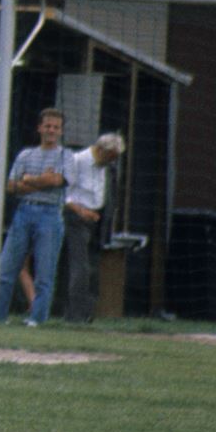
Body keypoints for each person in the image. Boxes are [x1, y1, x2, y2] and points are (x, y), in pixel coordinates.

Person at [0, 108, 70, 326]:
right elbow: (11, 186)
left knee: (44, 274)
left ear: (61, 131)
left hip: (50, 215)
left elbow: (57, 182)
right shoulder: (25, 154)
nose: (51, 130)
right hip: (23, 211)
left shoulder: (66, 156)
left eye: (56, 127)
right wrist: (40, 180)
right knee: (6, 269)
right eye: (47, 126)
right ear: (39, 128)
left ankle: (37, 319)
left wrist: (29, 179)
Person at [61, 133, 125, 324]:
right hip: (77, 218)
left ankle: (87, 313)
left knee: (93, 267)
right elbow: (64, 195)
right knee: (79, 267)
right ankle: (74, 315)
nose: (113, 161)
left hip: (98, 220)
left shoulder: (108, 168)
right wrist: (81, 211)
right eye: (111, 156)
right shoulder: (77, 161)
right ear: (101, 150)